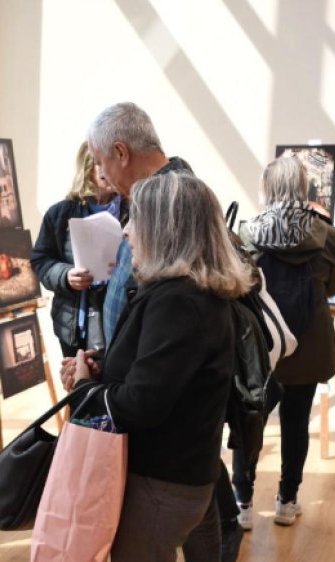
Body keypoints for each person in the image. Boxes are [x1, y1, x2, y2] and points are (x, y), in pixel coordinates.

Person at [63, 101, 245, 561]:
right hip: (180, 470)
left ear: (164, 230)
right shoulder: (188, 290)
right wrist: (105, 366)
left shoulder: (180, 300)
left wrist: (89, 388)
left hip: (163, 477)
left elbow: (144, 401)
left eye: (134, 223)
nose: (126, 234)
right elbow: (155, 365)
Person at [233, 156, 335, 528]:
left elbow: (240, 287)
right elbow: (334, 287)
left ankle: (243, 504)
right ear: (302, 189)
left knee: (250, 421)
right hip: (309, 344)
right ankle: (286, 501)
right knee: (297, 423)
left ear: (267, 188)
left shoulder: (248, 233)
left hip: (262, 348)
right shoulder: (326, 234)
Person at [31, 141, 122, 356]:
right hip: (74, 324)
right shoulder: (59, 214)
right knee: (77, 382)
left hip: (118, 321)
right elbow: (40, 261)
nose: (108, 170)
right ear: (87, 168)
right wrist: (66, 276)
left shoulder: (133, 211)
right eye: (101, 165)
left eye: (112, 163)